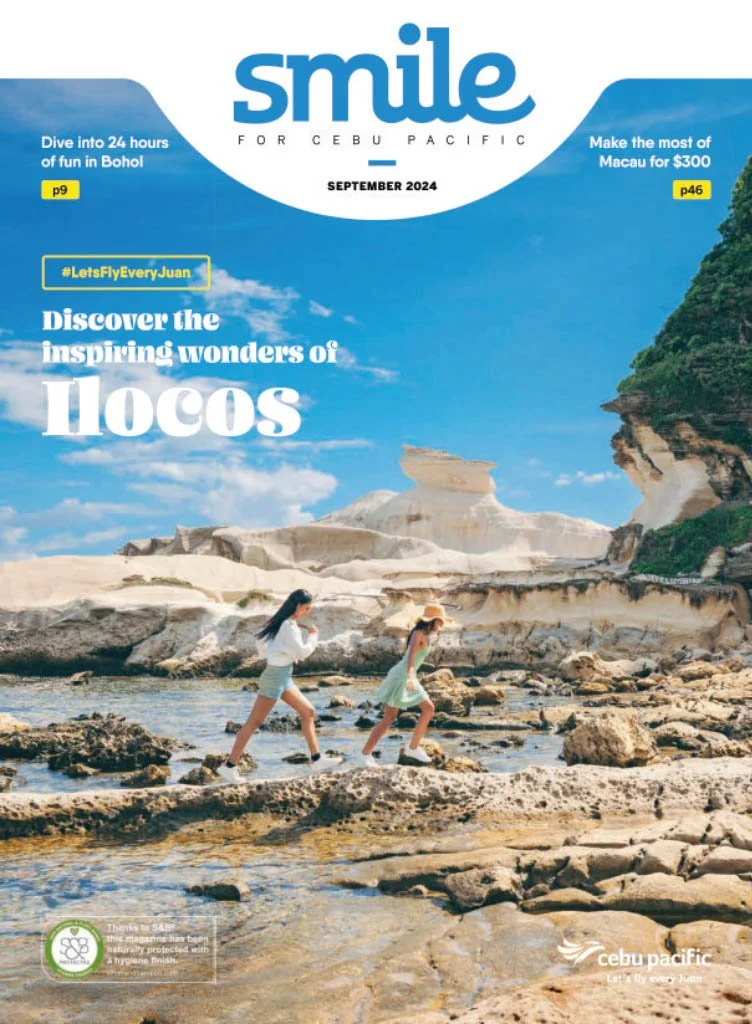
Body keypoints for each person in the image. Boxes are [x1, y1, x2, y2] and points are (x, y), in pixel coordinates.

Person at [218, 588, 340, 782]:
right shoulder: (288, 626)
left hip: (283, 677)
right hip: (275, 677)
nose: (307, 612)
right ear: (298, 606)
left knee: (308, 712)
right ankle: (229, 766)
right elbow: (302, 653)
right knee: (254, 723)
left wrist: (273, 654)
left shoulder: (283, 623)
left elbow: (261, 642)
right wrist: (314, 636)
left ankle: (316, 759)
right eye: (306, 608)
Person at [359, 603, 448, 766]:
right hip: (402, 675)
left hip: (406, 674)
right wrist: (409, 677)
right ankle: (366, 754)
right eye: (440, 621)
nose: (442, 625)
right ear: (432, 620)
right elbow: (412, 658)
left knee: (407, 713)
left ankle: (411, 748)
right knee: (394, 716)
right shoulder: (418, 634)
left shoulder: (425, 635)